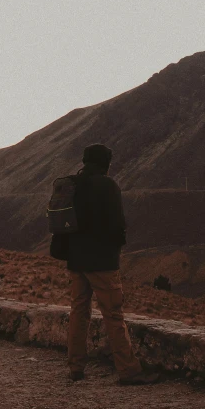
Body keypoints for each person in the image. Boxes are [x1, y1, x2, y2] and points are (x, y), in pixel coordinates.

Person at [66, 143, 158, 385]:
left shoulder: (72, 184)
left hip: (76, 260)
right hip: (102, 261)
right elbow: (117, 224)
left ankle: (75, 367)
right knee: (113, 315)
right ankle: (129, 370)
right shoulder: (107, 185)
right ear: (105, 162)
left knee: (78, 313)